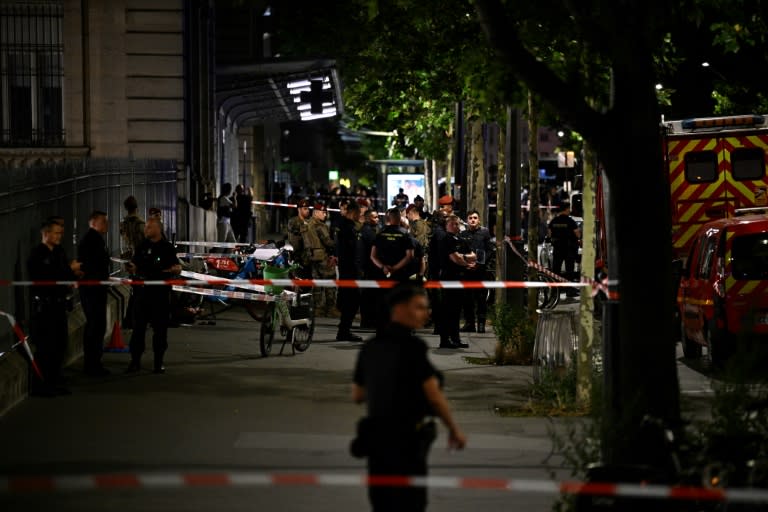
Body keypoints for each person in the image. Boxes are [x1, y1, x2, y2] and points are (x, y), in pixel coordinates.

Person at [352, 284, 467, 512]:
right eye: (420, 308)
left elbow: (358, 395)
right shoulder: (413, 348)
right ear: (400, 309)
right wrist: (454, 429)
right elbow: (434, 396)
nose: (426, 313)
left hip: (376, 439)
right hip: (407, 441)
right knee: (410, 502)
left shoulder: (370, 347)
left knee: (382, 502)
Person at [27, 218, 81, 396]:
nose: (59, 237)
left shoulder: (58, 252)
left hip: (58, 305)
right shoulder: (37, 255)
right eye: (56, 233)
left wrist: (71, 280)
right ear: (46, 233)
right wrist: (69, 271)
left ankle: (54, 379)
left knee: (59, 344)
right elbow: (46, 278)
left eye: (60, 233)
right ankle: (42, 385)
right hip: (45, 307)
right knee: (45, 347)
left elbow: (63, 274)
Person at [126, 218, 181, 374]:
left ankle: (158, 362)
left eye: (149, 227)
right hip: (142, 293)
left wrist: (177, 269)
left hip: (159, 295)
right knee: (138, 329)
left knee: (160, 330)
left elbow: (175, 266)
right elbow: (135, 264)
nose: (146, 230)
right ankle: (135, 361)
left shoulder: (167, 248)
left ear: (158, 229)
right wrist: (131, 267)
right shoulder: (142, 246)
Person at [77, 210, 111, 376]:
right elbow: (92, 265)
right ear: (94, 222)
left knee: (96, 325)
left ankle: (93, 363)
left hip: (94, 289)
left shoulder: (94, 240)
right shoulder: (92, 241)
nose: (107, 225)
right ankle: (92, 364)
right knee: (96, 325)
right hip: (93, 290)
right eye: (104, 221)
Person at [438, 215, 475, 349]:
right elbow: (454, 258)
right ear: (447, 225)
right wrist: (465, 262)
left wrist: (463, 257)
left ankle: (455, 338)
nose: (456, 226)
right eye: (453, 224)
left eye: (458, 224)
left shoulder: (460, 239)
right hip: (449, 278)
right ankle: (445, 340)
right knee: (448, 310)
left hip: (460, 278)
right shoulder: (446, 239)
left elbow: (473, 255)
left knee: (457, 310)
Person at [459, 210, 494, 333]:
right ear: (467, 220)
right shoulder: (462, 235)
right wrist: (466, 263)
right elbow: (459, 252)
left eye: (475, 218)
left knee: (481, 299)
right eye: (470, 218)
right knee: (467, 299)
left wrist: (479, 263)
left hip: (480, 271)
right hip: (466, 271)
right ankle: (469, 324)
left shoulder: (484, 233)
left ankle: (481, 324)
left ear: (479, 220)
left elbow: (489, 250)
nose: (473, 220)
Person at [335, 200, 363, 342]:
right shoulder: (348, 228)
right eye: (358, 213)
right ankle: (344, 331)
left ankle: (344, 330)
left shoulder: (344, 226)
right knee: (351, 301)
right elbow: (352, 253)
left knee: (349, 301)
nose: (360, 215)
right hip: (350, 271)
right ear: (353, 212)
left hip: (347, 269)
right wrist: (357, 271)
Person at [307, 202, 337, 317]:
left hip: (312, 257)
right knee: (330, 280)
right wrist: (337, 246)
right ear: (316, 213)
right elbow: (328, 242)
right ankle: (331, 308)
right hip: (322, 257)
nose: (325, 214)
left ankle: (317, 308)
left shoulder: (307, 223)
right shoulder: (319, 226)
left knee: (317, 283)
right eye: (323, 212)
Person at [370, 208, 414, 283]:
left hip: (383, 273)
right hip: (400, 273)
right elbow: (410, 256)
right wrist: (394, 268)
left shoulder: (380, 233)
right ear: (400, 218)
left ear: (389, 218)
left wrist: (383, 267)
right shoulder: (406, 234)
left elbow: (372, 256)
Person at [548, 203, 581, 296]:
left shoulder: (553, 221)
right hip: (568, 249)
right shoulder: (570, 221)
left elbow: (550, 234)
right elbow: (577, 234)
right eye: (568, 209)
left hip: (557, 249)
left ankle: (555, 291)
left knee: (556, 270)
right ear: (566, 209)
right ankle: (570, 291)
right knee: (569, 271)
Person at [359, 209, 381, 329]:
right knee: (368, 296)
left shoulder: (368, 230)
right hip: (368, 268)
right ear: (368, 218)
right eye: (374, 217)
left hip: (367, 267)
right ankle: (367, 322)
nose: (377, 219)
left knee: (368, 296)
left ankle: (367, 321)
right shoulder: (368, 232)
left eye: (377, 217)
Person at [286, 198, 313, 279]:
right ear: (299, 210)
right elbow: (295, 242)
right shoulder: (293, 222)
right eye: (305, 209)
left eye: (308, 208)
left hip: (310, 259)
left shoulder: (311, 221)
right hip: (298, 259)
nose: (308, 210)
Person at [119, 196, 145, 260]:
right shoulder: (142, 223)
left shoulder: (122, 224)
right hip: (142, 258)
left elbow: (126, 239)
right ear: (136, 208)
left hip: (130, 256)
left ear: (126, 209)